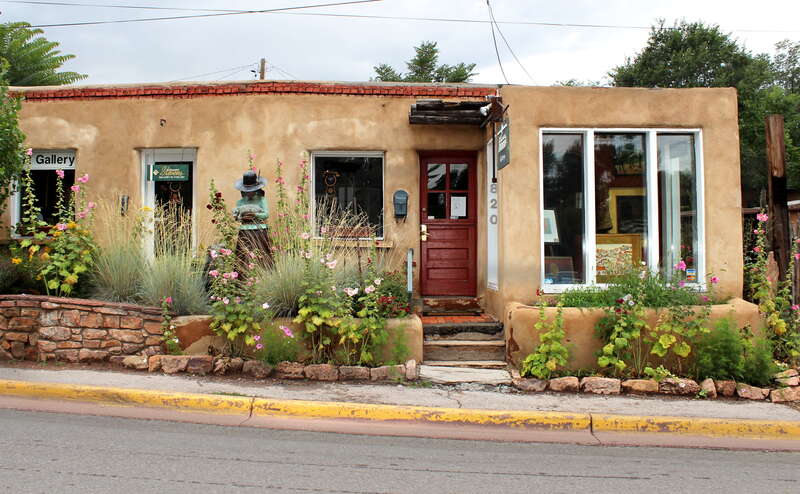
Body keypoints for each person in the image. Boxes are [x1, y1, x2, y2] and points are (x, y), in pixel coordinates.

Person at [233, 170, 272, 264]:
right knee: (244, 258)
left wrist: (255, 215)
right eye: (247, 191)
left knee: (261, 257)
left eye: (252, 190)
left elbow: (266, 214)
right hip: (244, 232)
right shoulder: (240, 202)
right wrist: (241, 217)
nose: (249, 193)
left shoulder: (262, 200)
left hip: (259, 231)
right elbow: (236, 217)